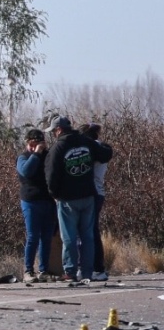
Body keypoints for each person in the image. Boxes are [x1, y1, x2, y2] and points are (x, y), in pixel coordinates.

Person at [44, 116, 113, 283]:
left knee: (69, 237)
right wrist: (104, 145)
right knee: (87, 235)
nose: (53, 134)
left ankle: (70, 271)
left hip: (67, 199)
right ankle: (87, 272)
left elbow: (51, 175)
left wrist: (54, 194)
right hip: (88, 196)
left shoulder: (58, 148)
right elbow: (105, 155)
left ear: (59, 130)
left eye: (54, 131)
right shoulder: (86, 142)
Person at [16, 128, 57, 283]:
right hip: (30, 201)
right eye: (32, 143)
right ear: (28, 143)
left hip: (47, 201)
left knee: (46, 237)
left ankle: (43, 270)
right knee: (33, 235)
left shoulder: (48, 157)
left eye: (39, 143)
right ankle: (28, 270)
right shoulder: (23, 157)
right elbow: (26, 172)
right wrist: (35, 154)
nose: (36, 146)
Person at [78, 123, 110, 281]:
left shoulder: (90, 148)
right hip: (98, 191)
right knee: (91, 230)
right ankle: (96, 268)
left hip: (91, 192)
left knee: (88, 231)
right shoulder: (102, 148)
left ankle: (95, 268)